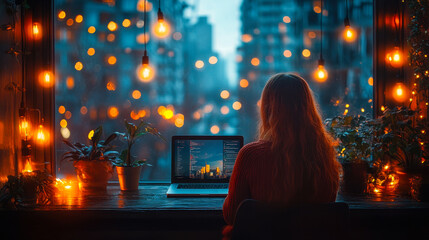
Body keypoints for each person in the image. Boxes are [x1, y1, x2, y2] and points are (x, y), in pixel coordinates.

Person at [222, 73, 341, 238]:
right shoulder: (324, 156)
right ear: (308, 109)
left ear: (267, 108)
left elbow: (231, 215)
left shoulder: (251, 155)